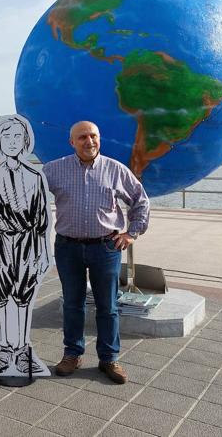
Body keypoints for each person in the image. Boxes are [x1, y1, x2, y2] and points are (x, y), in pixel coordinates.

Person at [43, 121, 150, 384]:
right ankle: (72, 354)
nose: (88, 141)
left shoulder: (115, 169)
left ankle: (109, 358)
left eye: (93, 136)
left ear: (99, 139)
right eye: (82, 137)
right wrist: (1, 169)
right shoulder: (54, 169)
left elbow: (140, 201)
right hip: (67, 247)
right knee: (72, 304)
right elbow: (26, 187)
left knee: (108, 306)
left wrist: (131, 233)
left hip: (106, 247)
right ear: (71, 142)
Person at [0, 115, 51, 375]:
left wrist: (42, 254)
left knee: (23, 297)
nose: (12, 142)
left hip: (27, 243)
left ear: (25, 141)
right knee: (1, 295)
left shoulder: (35, 177)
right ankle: (5, 348)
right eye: (6, 136)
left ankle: (21, 349)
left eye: (17, 136)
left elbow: (41, 221)